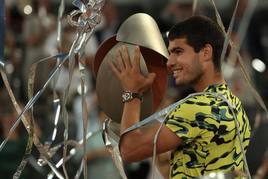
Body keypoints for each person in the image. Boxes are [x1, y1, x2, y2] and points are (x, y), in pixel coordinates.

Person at [109, 15, 251, 178]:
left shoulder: (197, 107)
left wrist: (132, 93)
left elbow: (129, 151)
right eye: (170, 53)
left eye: (178, 51)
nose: (169, 62)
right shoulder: (234, 104)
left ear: (205, 53)